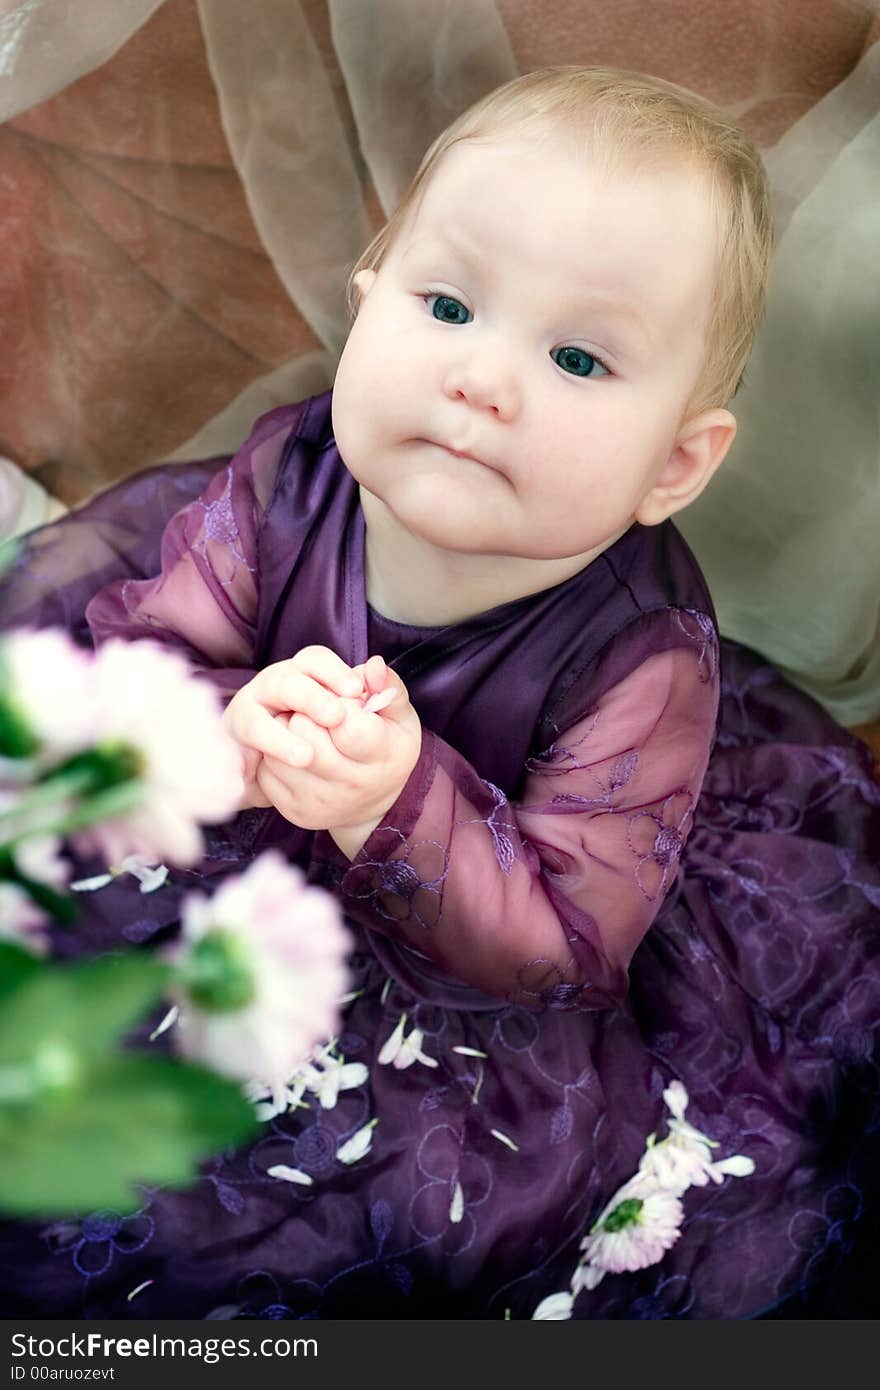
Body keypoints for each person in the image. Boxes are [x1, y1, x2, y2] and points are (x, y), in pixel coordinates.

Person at [2, 66, 879, 1320]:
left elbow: (560, 946)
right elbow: (148, 650)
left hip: (466, 931)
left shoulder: (643, 660)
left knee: (332, 1210)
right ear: (366, 311)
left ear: (676, 464)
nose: (482, 379)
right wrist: (224, 725)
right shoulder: (286, 476)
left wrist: (392, 800)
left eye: (577, 356)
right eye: (449, 304)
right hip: (240, 841)